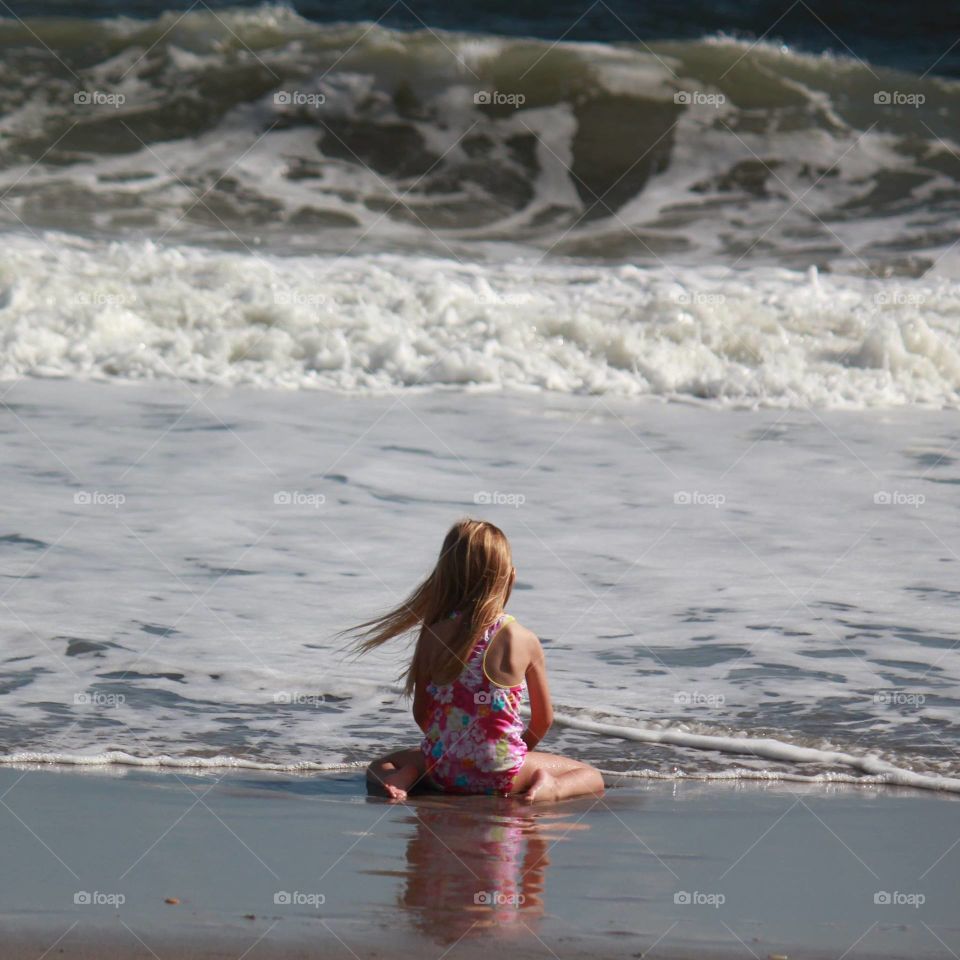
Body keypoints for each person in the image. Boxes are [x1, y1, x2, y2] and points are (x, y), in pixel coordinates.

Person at [347, 518, 605, 803]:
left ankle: (405, 775)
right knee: (591, 775)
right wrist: (507, 754)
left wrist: (455, 748)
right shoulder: (523, 639)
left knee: (379, 766)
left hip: (442, 770)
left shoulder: (432, 635)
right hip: (502, 772)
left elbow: (422, 714)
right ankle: (549, 788)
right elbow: (543, 720)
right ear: (509, 577)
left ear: (445, 576)